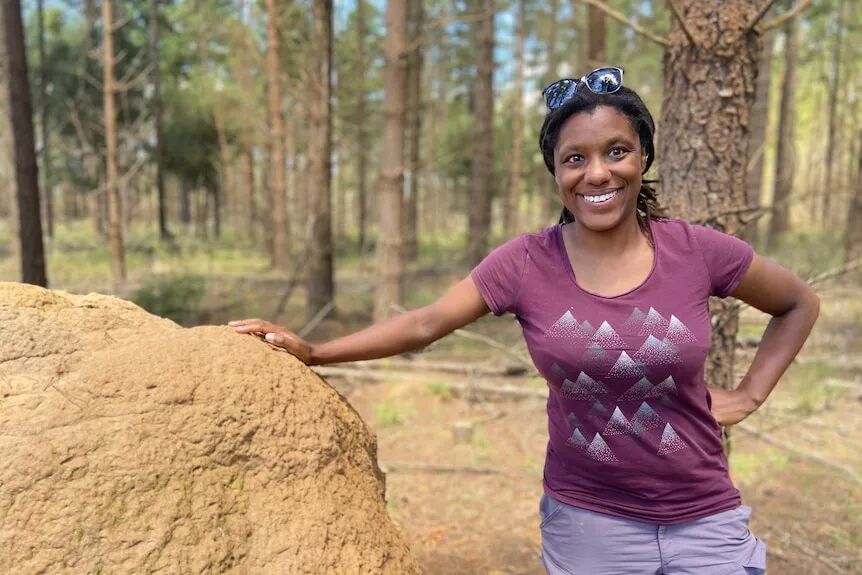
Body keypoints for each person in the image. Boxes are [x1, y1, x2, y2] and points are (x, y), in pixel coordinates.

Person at [230, 67, 819, 574]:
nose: (597, 174)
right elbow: (424, 325)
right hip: (589, 523)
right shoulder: (525, 263)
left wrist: (750, 394)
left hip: (704, 519)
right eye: (575, 159)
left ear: (643, 155)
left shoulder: (698, 251)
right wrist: (316, 351)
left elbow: (798, 303)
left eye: (617, 151)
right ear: (556, 173)